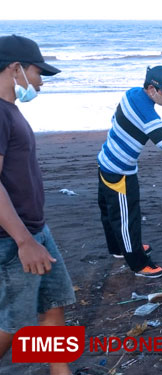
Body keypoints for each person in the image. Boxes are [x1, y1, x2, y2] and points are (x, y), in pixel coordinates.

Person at [0, 34, 76, 374]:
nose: (41, 82)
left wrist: (35, 234)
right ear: (15, 69)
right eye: (37, 72)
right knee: (10, 323)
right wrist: (24, 241)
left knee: (55, 304)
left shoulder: (10, 111)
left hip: (36, 229)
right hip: (13, 239)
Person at [97, 65, 162, 278]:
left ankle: (118, 249)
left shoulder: (132, 94)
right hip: (120, 171)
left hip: (106, 159)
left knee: (109, 212)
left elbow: (115, 121)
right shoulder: (147, 114)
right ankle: (138, 263)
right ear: (152, 89)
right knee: (127, 219)